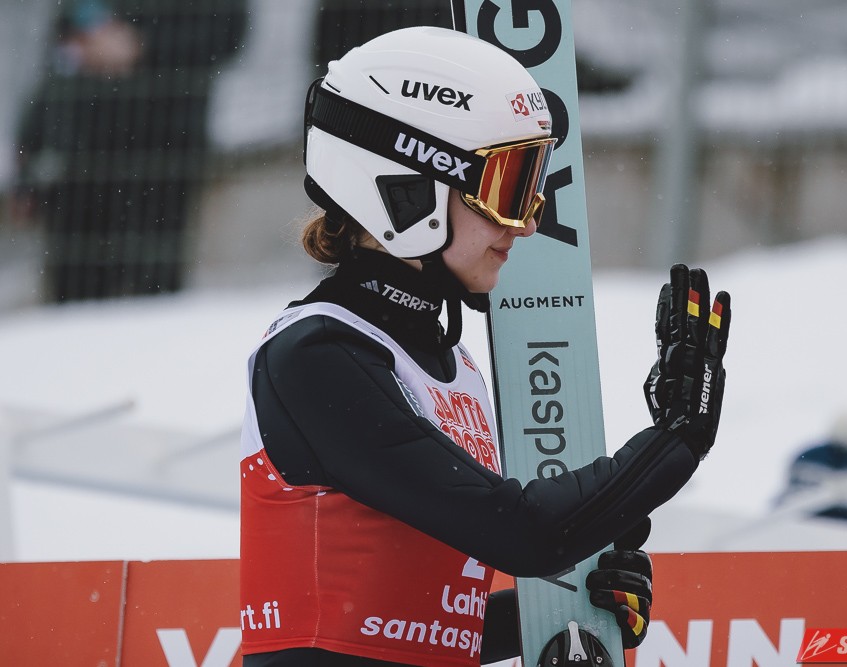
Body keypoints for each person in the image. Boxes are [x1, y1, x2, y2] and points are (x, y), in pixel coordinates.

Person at [239, 27, 732, 667]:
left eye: (532, 190)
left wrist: (572, 608)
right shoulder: (316, 355)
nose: (525, 224)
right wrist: (675, 440)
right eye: (507, 187)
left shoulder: (450, 367)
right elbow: (523, 532)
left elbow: (416, 624)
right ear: (404, 187)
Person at [15, 0, 247, 302]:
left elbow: (228, 32)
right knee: (76, 295)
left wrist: (142, 44)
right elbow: (59, 45)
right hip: (81, 157)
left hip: (164, 150)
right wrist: (28, 154)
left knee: (151, 289)